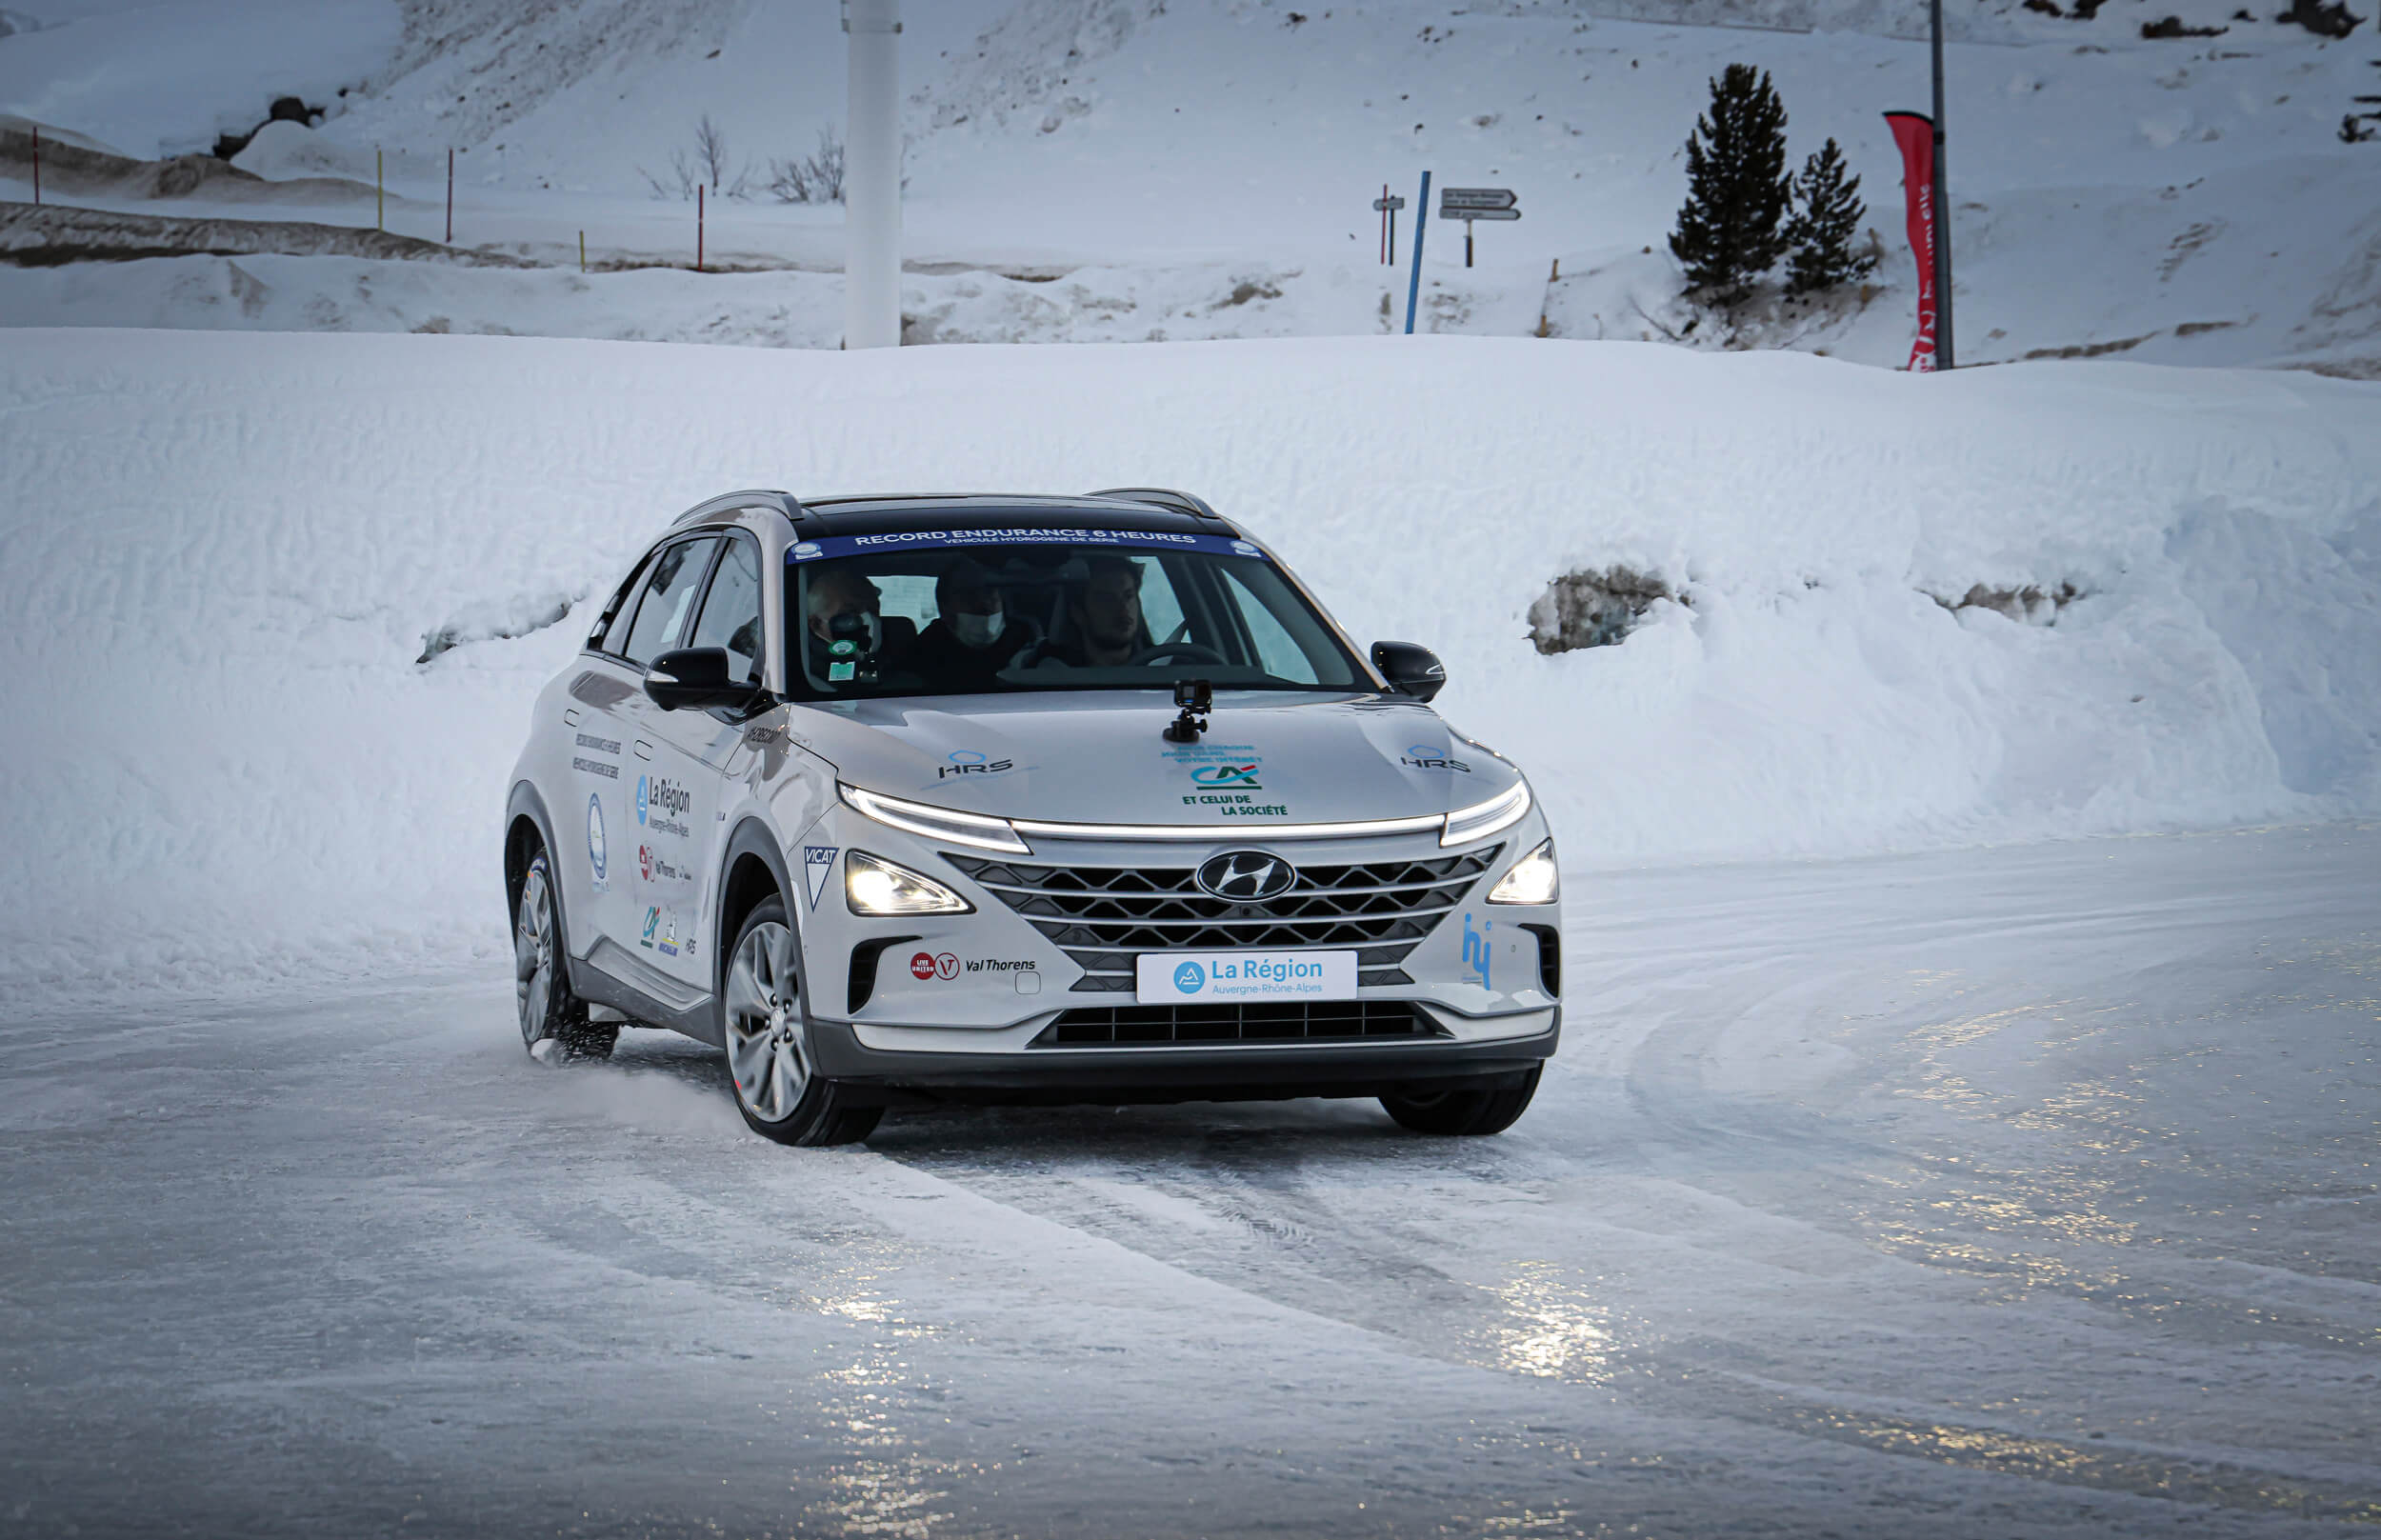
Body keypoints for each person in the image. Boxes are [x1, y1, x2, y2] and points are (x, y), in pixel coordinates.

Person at [910, 558, 1037, 691]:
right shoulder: (924, 651)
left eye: (990, 592)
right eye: (968, 595)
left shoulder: (1022, 636)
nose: (984, 604)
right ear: (944, 608)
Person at [1042, 554, 1150, 668]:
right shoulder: (1052, 674)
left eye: (1128, 596)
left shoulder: (1161, 664)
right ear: (1078, 614)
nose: (1123, 609)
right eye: (1107, 600)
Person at [801, 565, 899, 684]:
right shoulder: (805, 679)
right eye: (851, 612)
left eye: (872, 609)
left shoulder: (902, 668)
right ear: (816, 624)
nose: (868, 619)